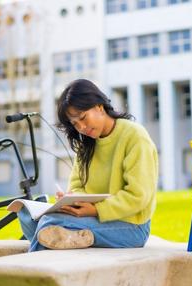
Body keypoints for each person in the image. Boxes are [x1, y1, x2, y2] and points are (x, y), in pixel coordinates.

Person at [17, 78, 158, 251]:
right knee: (27, 216)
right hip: (93, 218)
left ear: (99, 106)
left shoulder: (135, 136)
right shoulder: (87, 144)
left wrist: (95, 210)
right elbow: (77, 185)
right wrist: (71, 200)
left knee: (49, 223)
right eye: (75, 124)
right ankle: (78, 237)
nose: (81, 127)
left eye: (83, 118)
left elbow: (138, 196)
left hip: (131, 227)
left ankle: (35, 269)